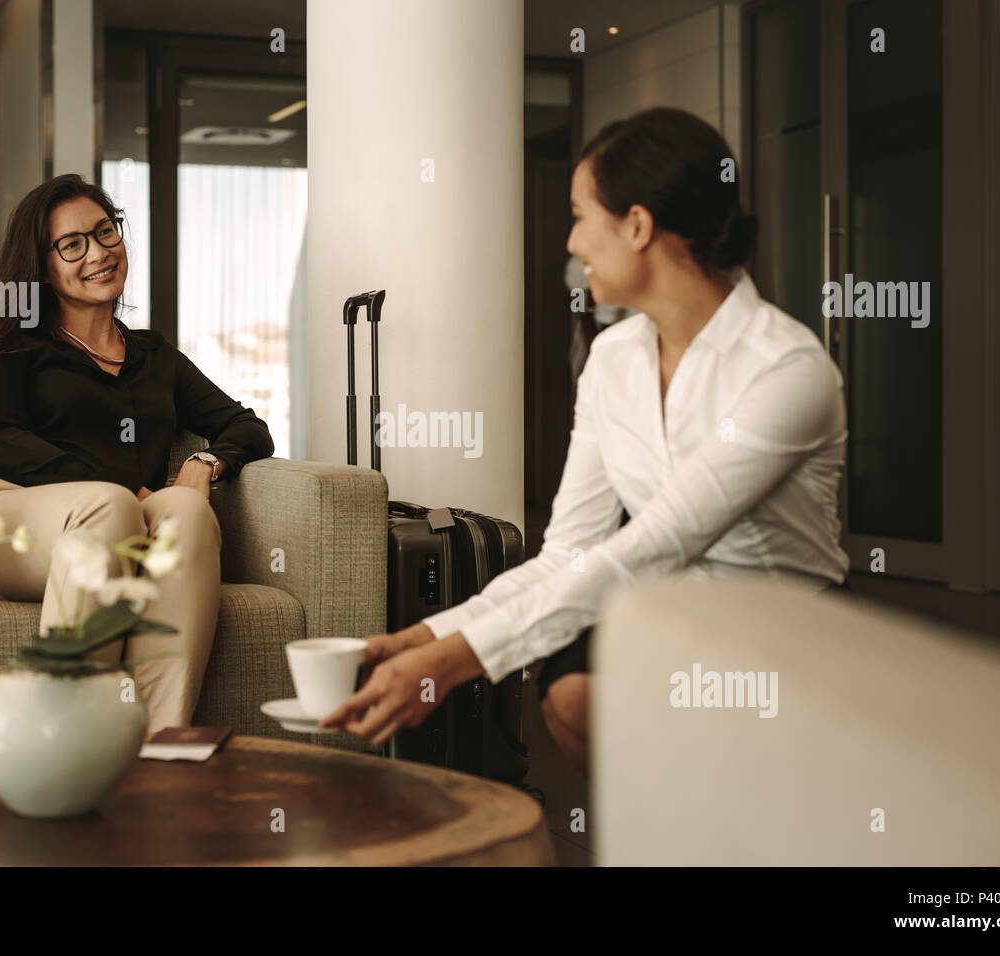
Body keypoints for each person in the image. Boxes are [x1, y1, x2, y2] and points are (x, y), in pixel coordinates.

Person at [319, 108, 850, 774]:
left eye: (579, 215)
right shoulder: (613, 358)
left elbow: (658, 542)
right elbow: (570, 549)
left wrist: (455, 661)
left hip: (782, 619)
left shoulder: (787, 370)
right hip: (665, 607)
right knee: (572, 695)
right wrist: (421, 637)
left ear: (636, 225)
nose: (572, 242)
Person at [0, 174, 273, 733]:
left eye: (105, 232)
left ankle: (158, 741)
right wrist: (120, 486)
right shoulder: (15, 348)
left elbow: (247, 426)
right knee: (111, 507)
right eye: (72, 244)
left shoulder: (156, 358)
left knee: (183, 511)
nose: (98, 253)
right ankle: (67, 746)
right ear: (43, 266)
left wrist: (203, 464)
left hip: (120, 521)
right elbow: (1, 442)